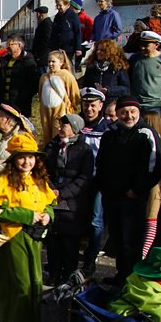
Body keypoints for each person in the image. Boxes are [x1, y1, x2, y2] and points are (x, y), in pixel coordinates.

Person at [0, 133, 56, 322]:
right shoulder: (1, 181)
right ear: (12, 159)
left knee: (25, 282)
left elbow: (49, 202)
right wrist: (24, 215)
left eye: (30, 157)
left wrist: (49, 214)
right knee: (24, 284)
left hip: (35, 237)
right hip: (14, 237)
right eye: (21, 157)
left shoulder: (38, 180)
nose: (27, 162)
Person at [96, 97, 161, 284]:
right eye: (124, 112)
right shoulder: (110, 133)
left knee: (131, 241)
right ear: (117, 114)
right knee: (117, 239)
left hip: (132, 198)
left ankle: (132, 279)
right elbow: (101, 163)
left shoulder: (145, 134)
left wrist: (136, 189)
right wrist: (103, 186)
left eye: (132, 112)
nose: (128, 116)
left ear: (138, 113)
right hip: (112, 196)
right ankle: (122, 274)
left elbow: (155, 166)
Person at [45, 113, 95, 284]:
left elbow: (84, 178)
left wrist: (64, 193)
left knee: (69, 242)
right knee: (52, 240)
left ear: (74, 128)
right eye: (59, 125)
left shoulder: (84, 150)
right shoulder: (51, 146)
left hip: (73, 202)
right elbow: (43, 171)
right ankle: (53, 273)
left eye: (63, 126)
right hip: (52, 198)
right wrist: (51, 189)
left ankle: (68, 275)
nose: (59, 128)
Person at [78, 88, 112, 277]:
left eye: (93, 105)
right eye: (86, 105)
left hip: (98, 180)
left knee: (96, 220)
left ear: (100, 106)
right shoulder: (77, 124)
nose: (89, 109)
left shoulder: (106, 128)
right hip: (79, 180)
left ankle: (90, 260)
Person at [128, 30, 161, 145]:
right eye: (141, 45)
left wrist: (160, 97)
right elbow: (129, 78)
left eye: (146, 45)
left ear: (156, 45)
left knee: (154, 134)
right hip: (137, 103)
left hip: (154, 105)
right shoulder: (134, 59)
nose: (143, 48)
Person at [38, 50, 81, 143]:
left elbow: (74, 93)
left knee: (58, 131)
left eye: (53, 61)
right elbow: (41, 93)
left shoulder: (66, 75)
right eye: (49, 61)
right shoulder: (44, 77)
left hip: (61, 110)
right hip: (46, 110)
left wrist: (71, 106)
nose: (50, 64)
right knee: (47, 133)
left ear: (61, 62)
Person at [0, 35, 40, 118]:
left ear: (19, 45)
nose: (7, 47)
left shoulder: (28, 62)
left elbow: (34, 84)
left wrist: (23, 96)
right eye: (6, 45)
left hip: (20, 105)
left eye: (10, 45)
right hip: (4, 102)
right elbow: (0, 80)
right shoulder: (5, 60)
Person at [49, 0, 82, 64]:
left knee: (68, 67)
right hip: (57, 48)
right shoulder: (57, 17)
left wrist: (78, 48)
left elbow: (78, 32)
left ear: (66, 5)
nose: (58, 7)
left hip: (68, 49)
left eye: (60, 5)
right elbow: (54, 32)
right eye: (57, 5)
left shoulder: (73, 15)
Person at [32, 6, 53, 72]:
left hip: (43, 56)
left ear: (39, 14)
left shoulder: (46, 24)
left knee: (43, 76)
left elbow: (47, 40)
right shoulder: (45, 23)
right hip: (42, 56)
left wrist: (39, 55)